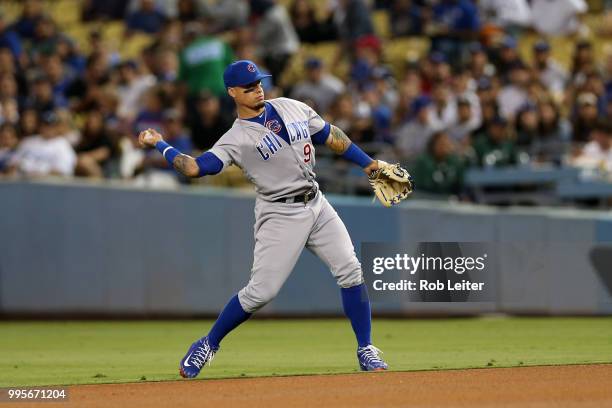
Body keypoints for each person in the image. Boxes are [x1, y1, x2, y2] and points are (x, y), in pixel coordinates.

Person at [138, 60, 390, 378]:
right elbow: (194, 168)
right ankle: (208, 343)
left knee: (351, 270)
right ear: (232, 92)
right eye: (248, 87)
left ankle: (366, 348)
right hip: (279, 213)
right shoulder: (236, 137)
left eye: (258, 83)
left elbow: (330, 134)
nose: (257, 89)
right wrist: (160, 143)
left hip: (316, 203)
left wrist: (368, 164)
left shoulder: (292, 106)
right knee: (261, 292)